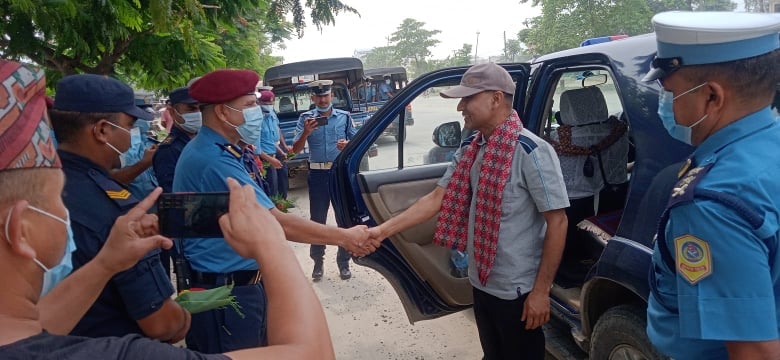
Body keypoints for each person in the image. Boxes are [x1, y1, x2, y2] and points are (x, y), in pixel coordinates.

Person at [0, 63, 335, 359]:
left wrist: (105, 263)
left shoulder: (27, 336)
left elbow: (36, 329)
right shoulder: (117, 351)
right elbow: (311, 353)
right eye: (59, 204)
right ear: (21, 229)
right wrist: (273, 248)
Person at [366, 63, 569, 360]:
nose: (461, 107)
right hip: (482, 281)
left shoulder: (530, 151)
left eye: (467, 98)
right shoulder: (473, 148)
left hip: (518, 291)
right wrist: (380, 231)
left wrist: (540, 292)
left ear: (496, 98)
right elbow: (436, 199)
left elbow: (558, 222)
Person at [174, 69, 372, 353]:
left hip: (228, 284)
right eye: (250, 105)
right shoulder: (212, 159)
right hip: (227, 293)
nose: (258, 111)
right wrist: (345, 237)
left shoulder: (215, 150)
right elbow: (275, 223)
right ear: (223, 112)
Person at [644, 12, 780, 360]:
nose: (667, 104)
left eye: (671, 92)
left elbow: (756, 352)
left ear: (711, 97)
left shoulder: (711, 202)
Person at [49, 74, 191, 342]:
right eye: (130, 125)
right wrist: (185, 318)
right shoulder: (117, 212)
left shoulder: (38, 189)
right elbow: (162, 325)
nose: (131, 138)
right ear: (102, 130)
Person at [292, 79, 358, 281]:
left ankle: (344, 262)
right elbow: (294, 150)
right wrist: (306, 132)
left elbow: (357, 144)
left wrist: (346, 145)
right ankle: (318, 262)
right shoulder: (305, 119)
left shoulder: (345, 118)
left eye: (325, 95)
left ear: (331, 96)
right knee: (317, 220)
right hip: (318, 175)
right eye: (318, 96)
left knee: (343, 219)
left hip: (338, 174)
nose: (322, 99)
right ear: (312, 98)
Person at [153, 86, 202, 193]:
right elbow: (172, 194)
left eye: (201, 109)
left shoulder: (203, 140)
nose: (198, 114)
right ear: (172, 112)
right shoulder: (168, 150)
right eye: (191, 109)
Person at [113, 104, 159, 200]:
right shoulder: (117, 146)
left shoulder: (149, 142)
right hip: (130, 206)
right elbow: (114, 180)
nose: (146, 121)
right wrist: (144, 163)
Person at [255, 90, 290, 199]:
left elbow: (273, 138)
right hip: (265, 156)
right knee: (271, 185)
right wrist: (270, 159)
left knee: (283, 180)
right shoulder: (257, 119)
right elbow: (256, 146)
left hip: (274, 150)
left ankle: (282, 204)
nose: (269, 106)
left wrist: (282, 150)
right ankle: (274, 209)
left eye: (271, 104)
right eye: (266, 104)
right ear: (259, 103)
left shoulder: (271, 114)